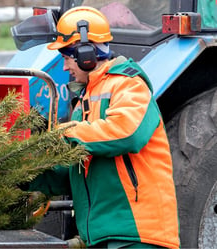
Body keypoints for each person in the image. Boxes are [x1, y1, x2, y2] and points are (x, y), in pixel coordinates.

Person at [26, 6, 180, 248]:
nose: (65, 67)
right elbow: (78, 171)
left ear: (86, 53)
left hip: (136, 235)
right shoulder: (86, 100)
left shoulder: (129, 86)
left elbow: (126, 133)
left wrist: (64, 134)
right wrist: (29, 174)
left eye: (66, 58)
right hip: (104, 235)